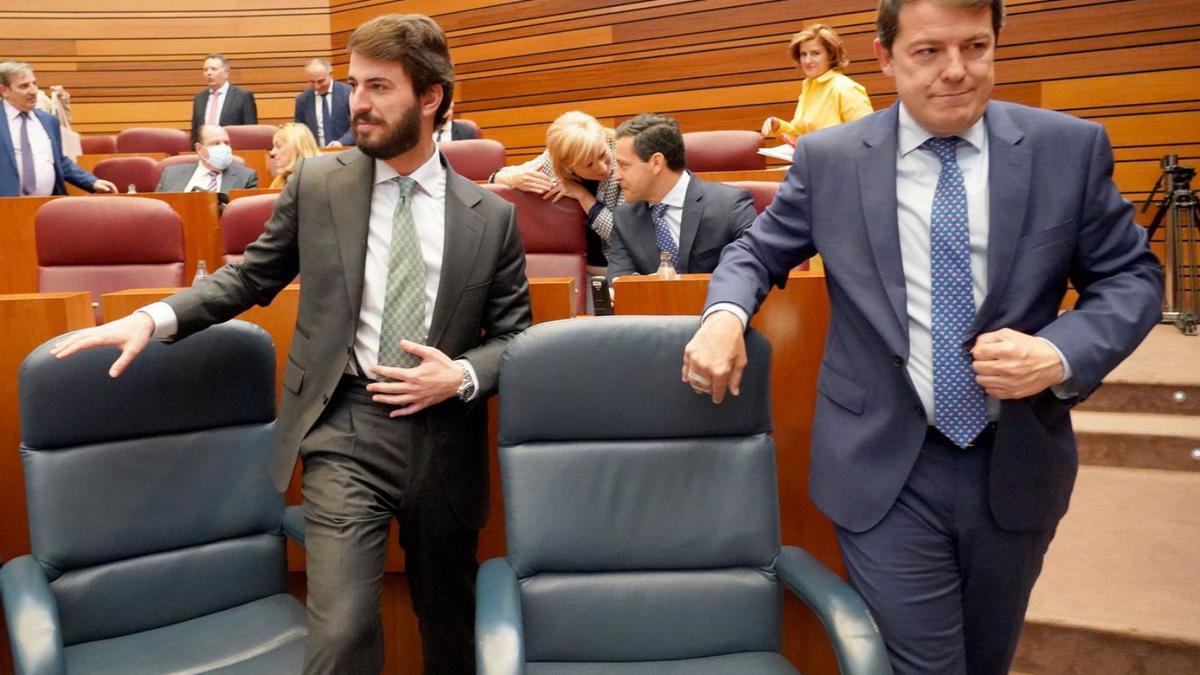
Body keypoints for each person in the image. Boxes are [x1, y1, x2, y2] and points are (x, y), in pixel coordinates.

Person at [682, 1, 1163, 673]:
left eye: (976, 47)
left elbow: (1132, 278)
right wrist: (724, 316)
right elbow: (754, 254)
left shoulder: (1067, 148)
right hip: (882, 463)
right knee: (927, 664)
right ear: (884, 57)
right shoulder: (831, 159)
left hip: (1017, 457)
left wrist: (1060, 351)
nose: (957, 72)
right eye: (929, 52)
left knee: (986, 657)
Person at [53, 13, 530, 674]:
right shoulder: (318, 183)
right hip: (345, 425)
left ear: (431, 97)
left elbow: (515, 336)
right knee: (338, 634)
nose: (357, 102)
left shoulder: (493, 216)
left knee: (449, 625)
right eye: (354, 84)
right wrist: (156, 317)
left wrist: (463, 377)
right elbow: (250, 275)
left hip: (444, 436)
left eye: (379, 87)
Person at [607, 113, 756, 281]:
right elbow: (619, 282)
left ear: (656, 163)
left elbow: (753, 266)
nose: (616, 176)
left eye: (624, 166)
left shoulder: (729, 206)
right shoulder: (625, 217)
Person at [491, 110, 622, 270]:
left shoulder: (624, 160)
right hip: (577, 270)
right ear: (567, 166)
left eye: (602, 154)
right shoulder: (553, 162)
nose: (602, 168)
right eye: (588, 165)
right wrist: (513, 179)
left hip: (618, 268)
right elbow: (496, 178)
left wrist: (581, 195)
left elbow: (621, 237)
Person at [0, 61, 116, 196]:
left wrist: (91, 181)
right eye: (24, 86)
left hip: (47, 206)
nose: (33, 91)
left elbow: (59, 161)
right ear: (4, 90)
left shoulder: (48, 121)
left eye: (34, 84)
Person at [761, 23, 873, 141]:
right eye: (803, 54)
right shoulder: (809, 86)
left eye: (815, 53)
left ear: (831, 55)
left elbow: (866, 137)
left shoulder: (845, 88)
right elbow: (801, 135)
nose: (807, 60)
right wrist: (778, 126)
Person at [156, 124, 258, 193]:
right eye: (216, 143)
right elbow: (160, 211)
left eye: (226, 143)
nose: (223, 148)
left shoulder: (246, 178)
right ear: (199, 149)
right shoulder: (171, 174)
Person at [190, 54, 257, 143]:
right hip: (205, 153)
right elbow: (195, 133)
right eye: (205, 70)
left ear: (226, 73)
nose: (208, 73)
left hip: (233, 151)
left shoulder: (243, 96)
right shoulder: (199, 98)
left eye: (213, 69)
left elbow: (250, 132)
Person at [294, 57, 353, 147]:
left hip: (346, 151)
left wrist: (341, 142)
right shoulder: (302, 100)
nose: (317, 86)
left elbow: (358, 125)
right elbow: (300, 131)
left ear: (331, 75)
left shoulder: (348, 93)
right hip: (317, 155)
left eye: (321, 81)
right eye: (312, 82)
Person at [269, 122, 320, 189]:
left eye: (278, 146)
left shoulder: (319, 181)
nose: (272, 153)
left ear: (296, 149)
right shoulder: (279, 181)